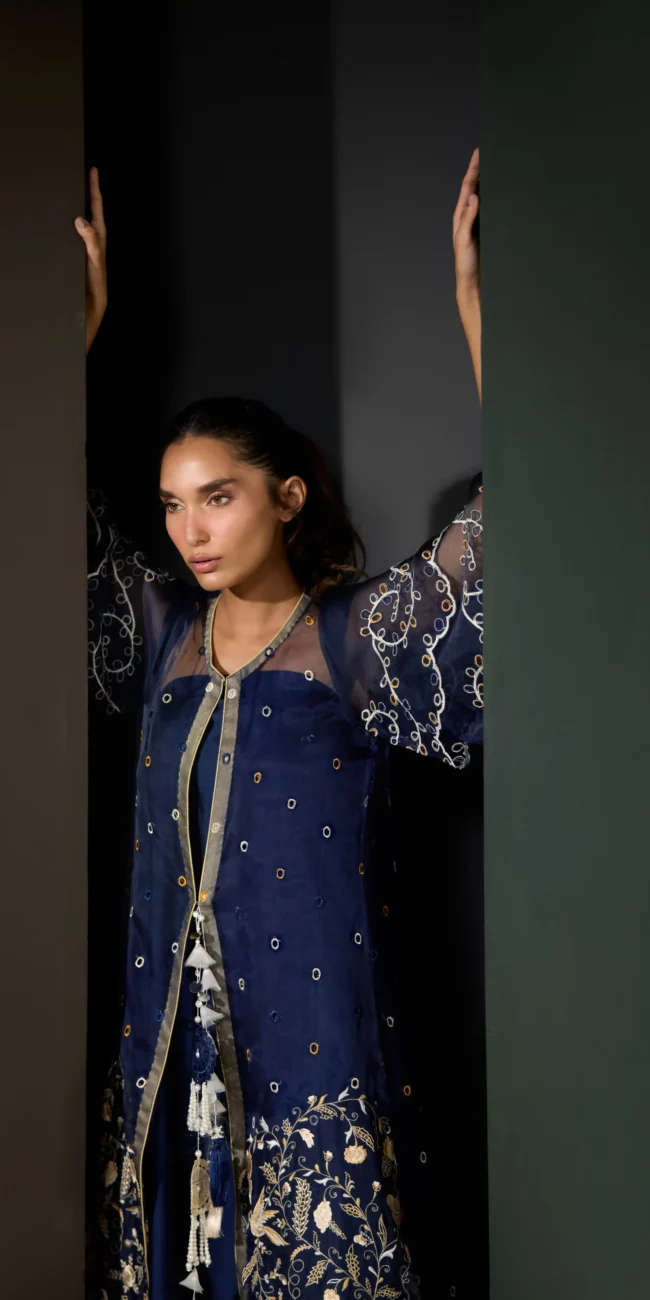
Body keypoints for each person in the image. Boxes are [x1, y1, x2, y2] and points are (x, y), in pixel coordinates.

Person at [77, 152, 482, 1300]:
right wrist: (74, 339)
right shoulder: (163, 633)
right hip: (168, 1054)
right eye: (173, 503)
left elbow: (497, 538)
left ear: (284, 497)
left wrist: (475, 313)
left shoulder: (351, 640)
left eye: (218, 497)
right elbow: (52, 506)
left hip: (307, 1052)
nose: (190, 530)